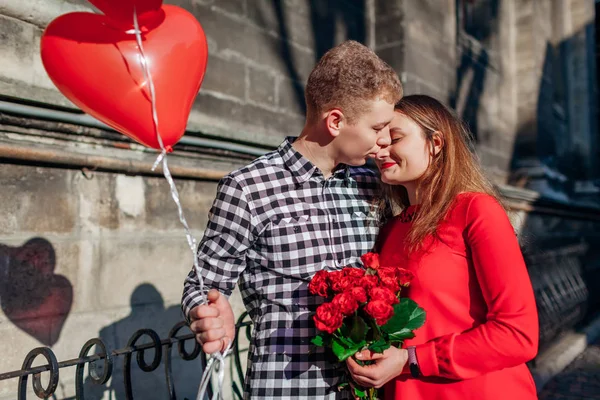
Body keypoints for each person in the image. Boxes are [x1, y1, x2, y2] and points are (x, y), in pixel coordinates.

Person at [181, 40, 403, 399]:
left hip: (364, 390)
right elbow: (201, 284)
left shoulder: (372, 183)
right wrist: (205, 313)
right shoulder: (248, 188)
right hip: (289, 388)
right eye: (377, 127)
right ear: (335, 121)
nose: (384, 141)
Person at [346, 95, 539, 399]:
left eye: (394, 138)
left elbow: (518, 334)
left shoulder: (475, 211)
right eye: (378, 140)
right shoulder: (389, 230)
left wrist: (412, 359)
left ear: (436, 143)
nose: (379, 150)